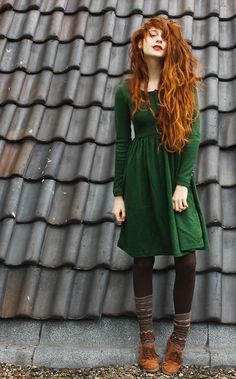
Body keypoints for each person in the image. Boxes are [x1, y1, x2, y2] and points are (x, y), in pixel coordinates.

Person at [111, 15, 210, 375]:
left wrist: (183, 183)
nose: (157, 41)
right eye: (150, 36)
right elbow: (123, 144)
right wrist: (118, 193)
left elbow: (194, 138)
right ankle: (147, 339)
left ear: (171, 45)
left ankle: (179, 339)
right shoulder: (125, 92)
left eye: (163, 37)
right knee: (142, 256)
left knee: (187, 260)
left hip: (173, 177)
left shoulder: (183, 86)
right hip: (140, 179)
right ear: (139, 45)